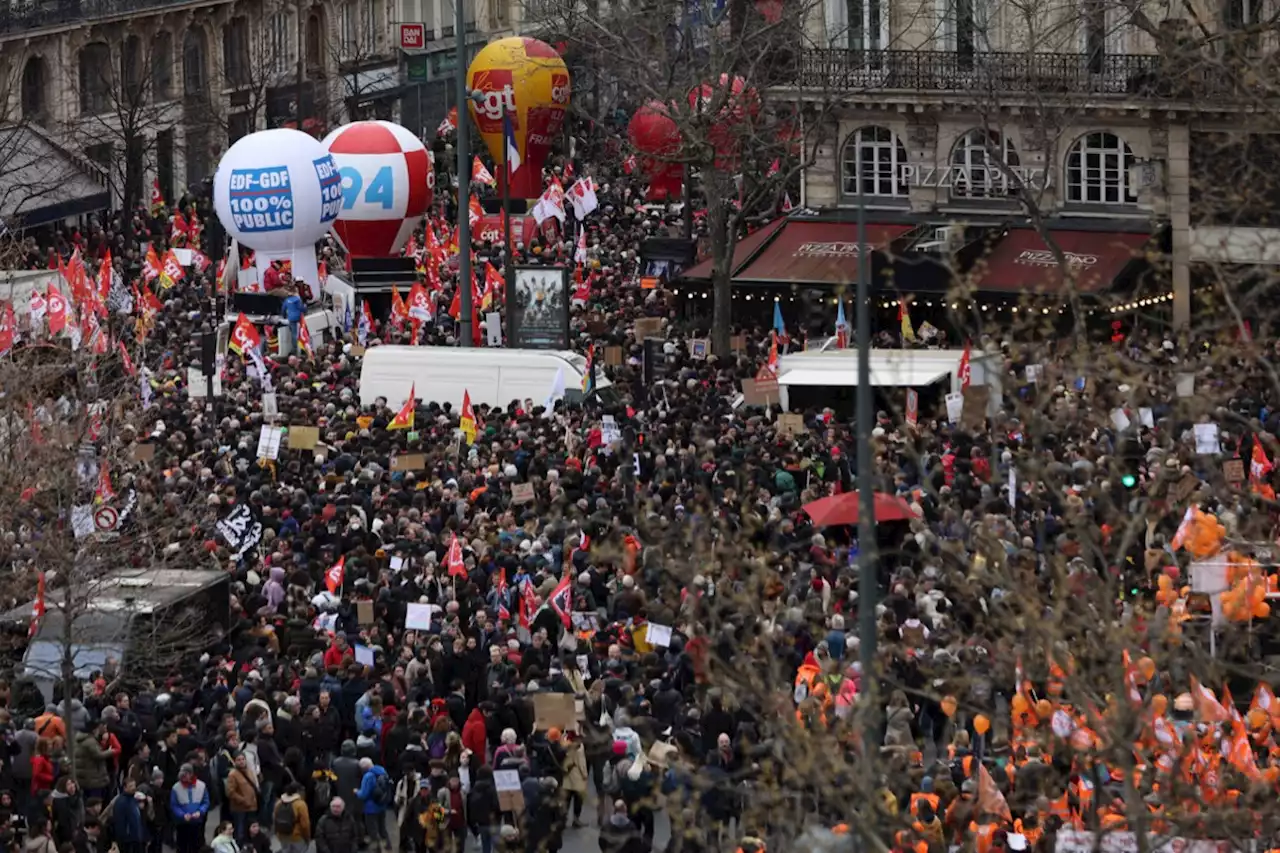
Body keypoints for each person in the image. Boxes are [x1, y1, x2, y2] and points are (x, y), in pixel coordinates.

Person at [168, 764, 209, 853]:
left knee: (196, 847)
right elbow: (174, 805)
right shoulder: (176, 788)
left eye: (185, 774)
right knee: (182, 847)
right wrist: (182, 815)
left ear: (191, 774)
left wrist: (200, 812)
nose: (183, 777)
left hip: (197, 822)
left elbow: (206, 802)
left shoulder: (201, 786)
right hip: (182, 823)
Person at [355, 758, 391, 852]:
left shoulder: (368, 776)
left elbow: (364, 794)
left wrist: (356, 792)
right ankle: (388, 846)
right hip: (382, 805)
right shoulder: (382, 771)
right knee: (382, 827)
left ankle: (378, 849)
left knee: (373, 830)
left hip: (370, 808)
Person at [224, 753, 258, 842]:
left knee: (251, 830)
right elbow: (230, 792)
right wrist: (243, 800)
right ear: (235, 761)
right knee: (240, 831)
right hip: (239, 808)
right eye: (239, 760)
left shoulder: (249, 771)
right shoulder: (233, 774)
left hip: (251, 807)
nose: (241, 761)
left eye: (243, 759)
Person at [109, 780, 147, 853]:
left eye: (134, 785)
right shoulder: (121, 802)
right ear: (124, 788)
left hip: (136, 837)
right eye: (130, 786)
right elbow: (119, 822)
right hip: (128, 840)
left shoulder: (133, 799)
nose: (133, 788)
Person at [273, 782, 311, 853]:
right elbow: (305, 825)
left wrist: (277, 833)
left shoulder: (279, 803)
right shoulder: (301, 804)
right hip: (296, 837)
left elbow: (275, 819)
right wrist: (307, 838)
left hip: (282, 835)